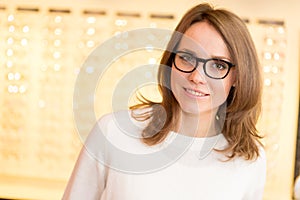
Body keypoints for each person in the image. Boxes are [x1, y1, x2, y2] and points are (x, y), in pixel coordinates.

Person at [63, 3, 266, 200]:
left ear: (238, 77)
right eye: (187, 57)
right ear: (171, 61)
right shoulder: (113, 132)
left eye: (218, 65)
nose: (197, 77)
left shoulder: (249, 160)